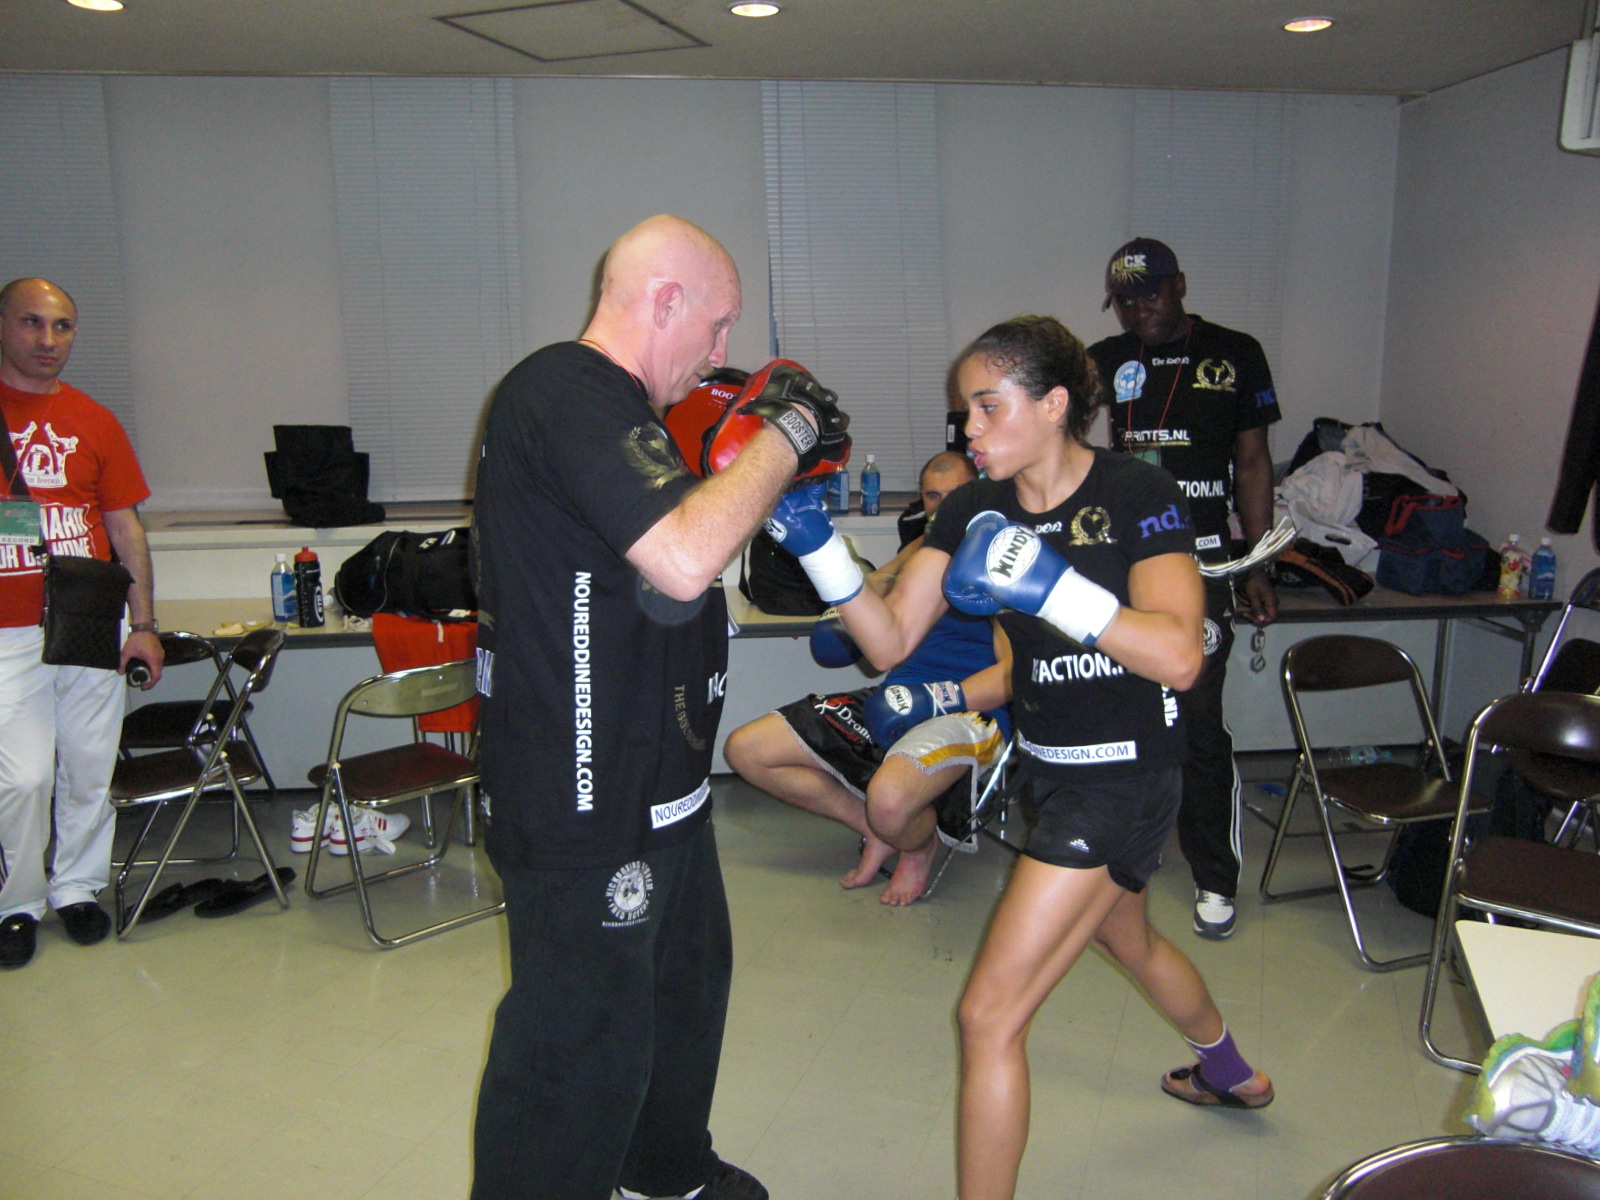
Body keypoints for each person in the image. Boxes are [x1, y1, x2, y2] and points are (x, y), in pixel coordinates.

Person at [767, 315, 1271, 1200]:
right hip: (1051, 769)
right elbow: (889, 642)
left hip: (1126, 776)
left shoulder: (1138, 491)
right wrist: (821, 551)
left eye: (988, 406)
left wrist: (1053, 588)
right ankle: (1230, 1072)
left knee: (988, 1015)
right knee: (1130, 939)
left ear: (1054, 404)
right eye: (965, 409)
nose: (969, 427)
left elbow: (1181, 656)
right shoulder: (973, 508)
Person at [470, 215, 847, 1200]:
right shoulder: (562, 387)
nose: (721, 352)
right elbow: (683, 556)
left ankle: (663, 1168)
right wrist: (787, 434)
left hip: (657, 783)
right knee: (572, 1047)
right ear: (664, 298)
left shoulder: (627, 416)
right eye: (717, 325)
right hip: (580, 794)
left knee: (684, 992)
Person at [1086, 237, 1282, 941]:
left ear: (1181, 286)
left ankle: (1215, 876)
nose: (1138, 309)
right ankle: (1114, 852)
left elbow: (1253, 463)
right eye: (1125, 299)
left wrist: (1256, 562)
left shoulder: (1235, 353)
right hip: (1125, 560)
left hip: (1203, 561)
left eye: (1150, 293)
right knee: (1118, 708)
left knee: (1197, 715)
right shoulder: (1105, 359)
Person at [723, 451, 1010, 906]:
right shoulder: (923, 550)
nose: (944, 508)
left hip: (971, 712)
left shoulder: (1001, 561)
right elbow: (876, 594)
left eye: (956, 495)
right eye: (933, 497)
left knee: (891, 801)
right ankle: (876, 829)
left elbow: (1014, 677)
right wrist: (843, 610)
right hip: (895, 698)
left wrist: (938, 697)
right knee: (747, 750)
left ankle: (917, 846)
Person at [0, 277, 164, 970]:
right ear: (3, 324)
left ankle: (76, 888)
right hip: (8, 631)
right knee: (23, 779)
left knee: (90, 767)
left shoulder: (95, 421)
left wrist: (143, 623)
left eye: (62, 326)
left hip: (91, 619)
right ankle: (17, 902)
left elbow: (125, 528)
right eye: (31, 323)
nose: (48, 340)